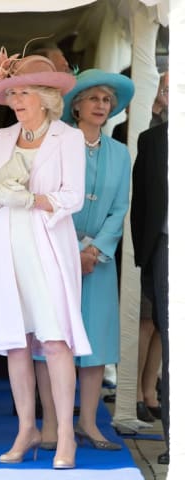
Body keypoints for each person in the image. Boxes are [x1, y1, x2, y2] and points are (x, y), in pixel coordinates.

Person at [0, 51, 91, 469]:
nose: (17, 100)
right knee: (16, 342)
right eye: (13, 93)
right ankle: (26, 430)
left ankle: (64, 438)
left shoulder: (68, 137)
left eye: (25, 92)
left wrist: (30, 198)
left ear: (45, 96)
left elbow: (72, 197)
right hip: (7, 242)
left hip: (45, 244)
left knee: (55, 341)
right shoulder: (4, 137)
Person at [36, 69, 134, 452]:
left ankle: (90, 424)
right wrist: (70, 249)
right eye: (93, 98)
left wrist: (94, 251)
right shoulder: (57, 144)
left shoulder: (120, 153)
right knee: (52, 339)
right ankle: (50, 424)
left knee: (94, 344)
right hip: (58, 253)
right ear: (75, 105)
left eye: (107, 100)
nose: (101, 105)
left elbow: (120, 207)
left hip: (99, 261)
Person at [131, 121, 169, 465]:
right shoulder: (152, 139)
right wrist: (144, 257)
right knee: (169, 341)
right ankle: (176, 441)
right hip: (165, 250)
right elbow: (140, 201)